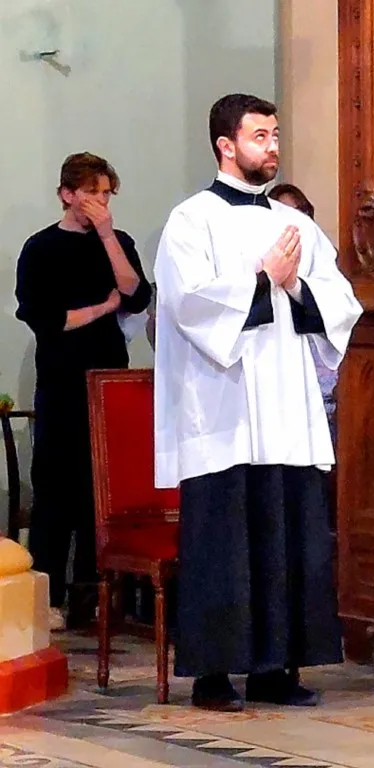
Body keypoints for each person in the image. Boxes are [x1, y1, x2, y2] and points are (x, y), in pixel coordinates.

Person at [153, 93, 362, 710]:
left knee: (286, 537)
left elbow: (339, 303)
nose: (272, 147)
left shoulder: (293, 224)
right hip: (222, 412)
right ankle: (213, 676)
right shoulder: (190, 220)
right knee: (226, 542)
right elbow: (188, 305)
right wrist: (263, 277)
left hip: (287, 410)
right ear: (226, 145)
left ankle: (277, 670)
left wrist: (296, 286)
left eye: (275, 135)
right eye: (260, 136)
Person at [15, 152, 152, 632]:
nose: (99, 201)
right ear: (67, 194)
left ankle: (99, 595)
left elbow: (136, 295)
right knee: (56, 487)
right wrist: (102, 307)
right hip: (61, 380)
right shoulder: (41, 248)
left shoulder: (119, 242)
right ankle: (48, 595)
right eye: (91, 192)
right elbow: (50, 321)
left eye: (106, 193)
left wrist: (110, 236)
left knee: (103, 489)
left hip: (108, 380)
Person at [268, 182, 338, 445]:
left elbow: (339, 318)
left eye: (301, 213)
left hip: (326, 393)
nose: (294, 224)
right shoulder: (259, 265)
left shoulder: (326, 264)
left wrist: (296, 286)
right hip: (280, 398)